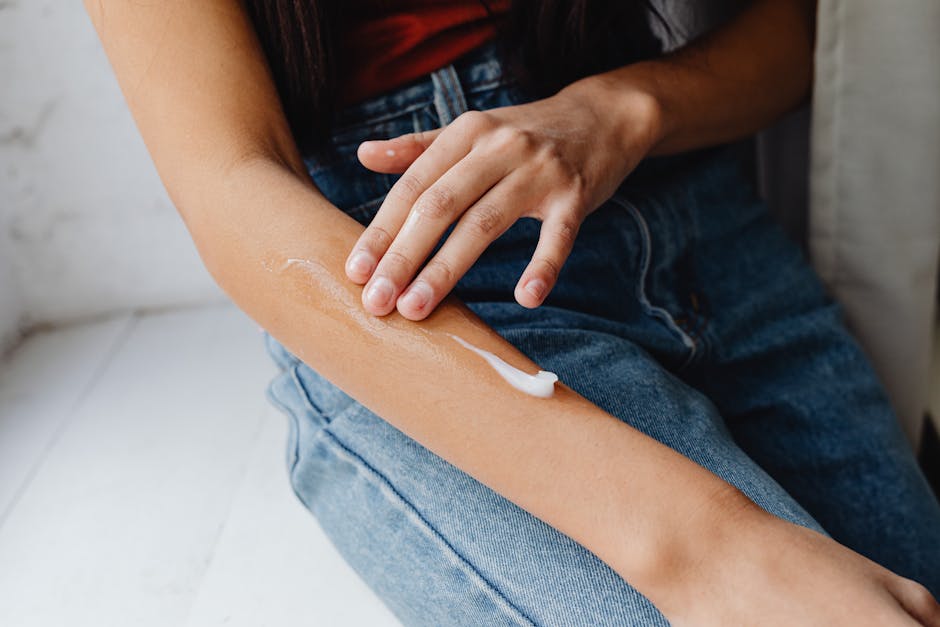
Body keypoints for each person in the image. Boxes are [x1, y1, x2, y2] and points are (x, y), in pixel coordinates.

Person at [84, 0, 940, 624]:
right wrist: (706, 545)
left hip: (694, 199)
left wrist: (618, 109)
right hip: (421, 285)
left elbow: (798, 39)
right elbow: (230, 184)